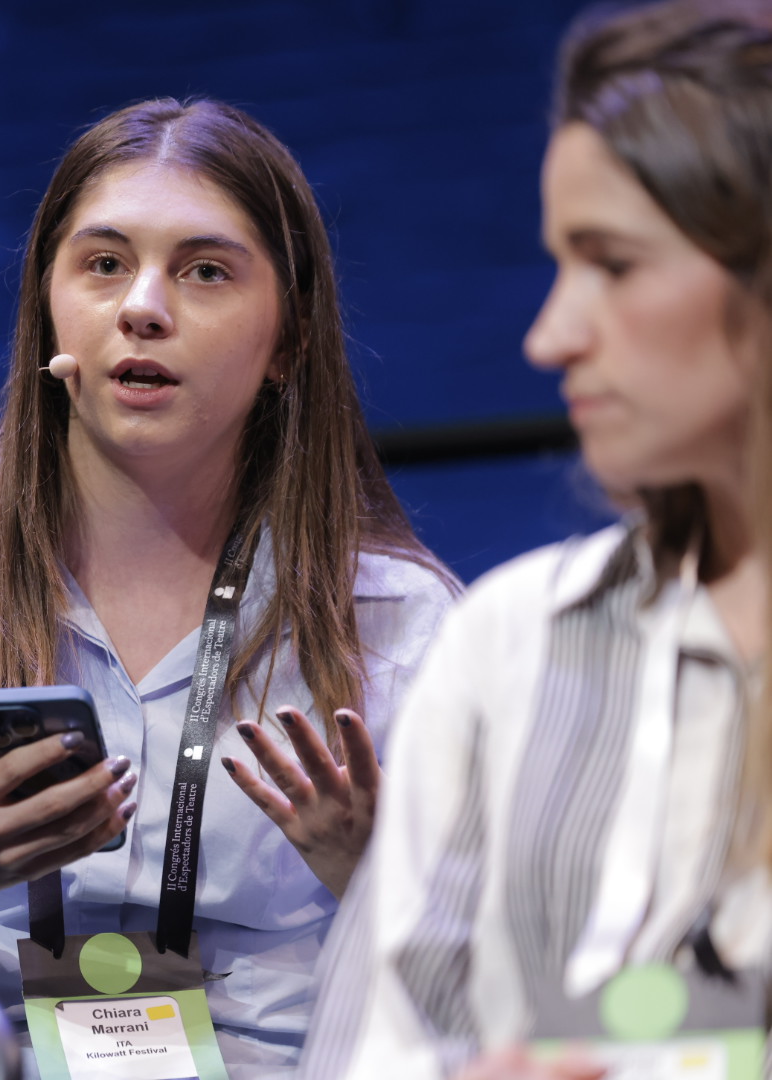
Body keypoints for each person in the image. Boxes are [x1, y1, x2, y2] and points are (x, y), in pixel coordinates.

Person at [0, 96, 455, 1075]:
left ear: (289, 341)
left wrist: (380, 879)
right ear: (48, 308)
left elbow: (499, 999)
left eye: (205, 271)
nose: (142, 307)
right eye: (104, 264)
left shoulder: (398, 619)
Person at [295, 2, 772, 1076]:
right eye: (560, 264)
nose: (549, 336)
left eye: (615, 265)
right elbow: (377, 1042)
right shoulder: (509, 641)